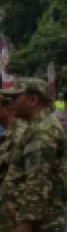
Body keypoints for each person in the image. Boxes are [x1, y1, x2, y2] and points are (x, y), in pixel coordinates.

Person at [1, 78, 67, 232]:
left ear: (33, 100)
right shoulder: (37, 126)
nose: (11, 103)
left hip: (40, 223)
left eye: (15, 98)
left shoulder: (43, 132)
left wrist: (25, 224)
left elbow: (37, 181)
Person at [0, 93, 26, 231]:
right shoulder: (8, 132)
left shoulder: (20, 134)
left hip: (18, 208)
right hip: (8, 205)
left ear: (7, 108)